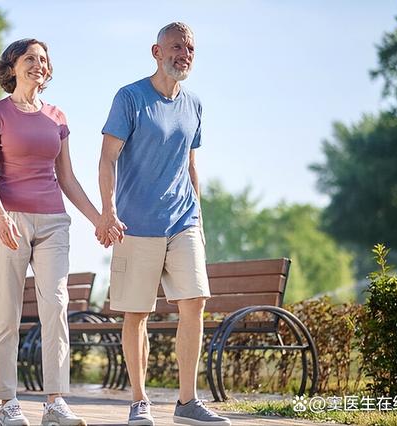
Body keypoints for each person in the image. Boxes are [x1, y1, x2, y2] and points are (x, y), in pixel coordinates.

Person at [96, 22, 232, 426]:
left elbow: (191, 166)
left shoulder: (195, 105)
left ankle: (187, 402)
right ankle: (140, 401)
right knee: (136, 313)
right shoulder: (130, 98)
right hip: (134, 223)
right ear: (156, 52)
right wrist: (108, 211)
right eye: (176, 47)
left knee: (195, 303)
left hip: (184, 220)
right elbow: (107, 158)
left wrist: (201, 221)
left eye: (189, 49)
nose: (184, 54)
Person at [0, 38, 97, 426]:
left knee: (56, 308)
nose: (39, 65)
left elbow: (67, 177)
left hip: (53, 222)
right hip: (9, 218)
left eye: (44, 59)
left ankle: (55, 403)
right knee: (8, 314)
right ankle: (8, 403)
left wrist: (98, 219)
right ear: (12, 66)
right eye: (30, 58)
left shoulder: (57, 116)